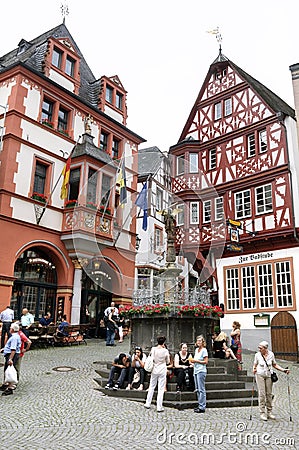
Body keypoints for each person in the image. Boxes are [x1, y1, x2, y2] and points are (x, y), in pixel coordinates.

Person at [253, 340, 290, 421]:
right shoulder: (257, 355)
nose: (259, 349)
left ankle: (269, 412)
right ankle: (262, 413)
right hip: (260, 375)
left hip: (269, 375)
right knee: (262, 394)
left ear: (265, 348)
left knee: (269, 394)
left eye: (261, 348)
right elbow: (255, 365)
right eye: (259, 348)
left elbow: (274, 365)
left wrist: (283, 370)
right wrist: (254, 369)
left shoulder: (271, 354)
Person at [144, 336, 170, 412]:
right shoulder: (165, 351)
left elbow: (152, 358)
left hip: (154, 369)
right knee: (161, 388)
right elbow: (168, 361)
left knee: (152, 386)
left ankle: (148, 403)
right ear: (164, 343)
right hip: (162, 369)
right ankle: (159, 406)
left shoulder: (153, 349)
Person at [0, 322, 21, 396]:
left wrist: (10, 359)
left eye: (10, 328)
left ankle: (10, 388)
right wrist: (4, 349)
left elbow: (13, 349)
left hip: (12, 355)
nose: (9, 329)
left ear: (12, 329)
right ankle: (6, 385)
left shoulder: (14, 337)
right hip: (11, 354)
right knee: (7, 369)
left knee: (10, 370)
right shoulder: (15, 336)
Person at [189, 335, 208, 413]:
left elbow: (206, 362)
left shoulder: (204, 350)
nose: (199, 342)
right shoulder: (196, 350)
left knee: (201, 389)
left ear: (203, 342)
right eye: (198, 341)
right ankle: (199, 404)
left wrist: (196, 361)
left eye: (200, 341)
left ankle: (202, 406)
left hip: (201, 370)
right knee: (197, 389)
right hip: (196, 370)